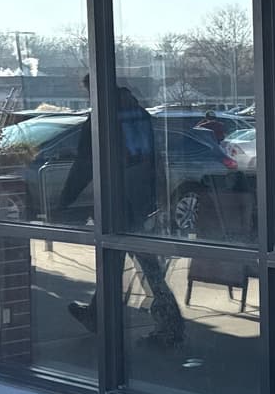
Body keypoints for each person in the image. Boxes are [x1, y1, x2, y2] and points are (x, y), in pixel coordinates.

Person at [58, 78, 185, 346]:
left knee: (131, 264)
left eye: (88, 92)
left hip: (118, 203)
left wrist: (65, 202)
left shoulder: (102, 118)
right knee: (128, 264)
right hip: (141, 201)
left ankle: (169, 324)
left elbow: (84, 164)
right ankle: (100, 315)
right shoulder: (138, 114)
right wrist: (157, 196)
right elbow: (154, 158)